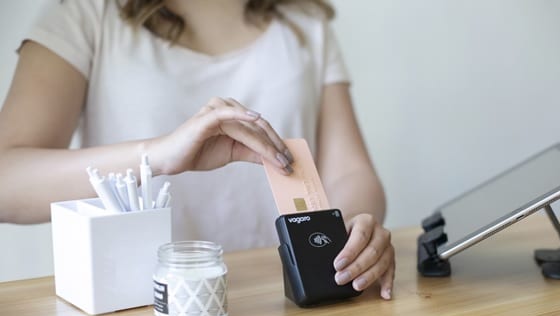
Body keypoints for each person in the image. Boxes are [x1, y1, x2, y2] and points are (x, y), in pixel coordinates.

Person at [0, 0, 394, 299]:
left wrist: (355, 231)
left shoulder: (306, 21)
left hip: (281, 307)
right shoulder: (87, 14)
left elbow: (348, 172)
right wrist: (159, 155)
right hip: (138, 311)